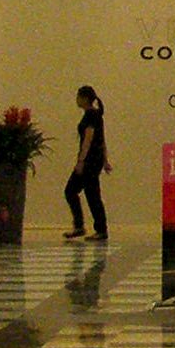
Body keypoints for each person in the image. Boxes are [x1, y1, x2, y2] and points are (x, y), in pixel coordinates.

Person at [65, 84, 109, 242]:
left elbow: (88, 139)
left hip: (89, 161)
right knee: (90, 193)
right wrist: (105, 160)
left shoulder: (91, 115)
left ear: (84, 98)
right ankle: (91, 227)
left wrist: (81, 161)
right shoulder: (95, 115)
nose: (76, 99)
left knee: (75, 191)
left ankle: (93, 228)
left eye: (78, 96)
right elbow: (102, 140)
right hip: (95, 160)